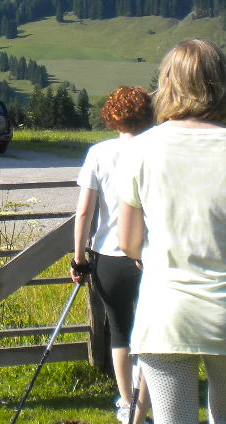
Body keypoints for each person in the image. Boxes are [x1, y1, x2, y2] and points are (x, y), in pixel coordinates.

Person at [119, 38, 226, 424]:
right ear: (222, 83)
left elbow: (128, 242)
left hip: (166, 311)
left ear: (168, 83)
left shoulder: (141, 150)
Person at [72, 85, 153, 424]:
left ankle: (126, 401)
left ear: (112, 116)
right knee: (154, 333)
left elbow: (85, 213)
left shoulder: (99, 153)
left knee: (119, 330)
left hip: (109, 254)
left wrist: (79, 257)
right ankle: (148, 405)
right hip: (151, 255)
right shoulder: (158, 149)